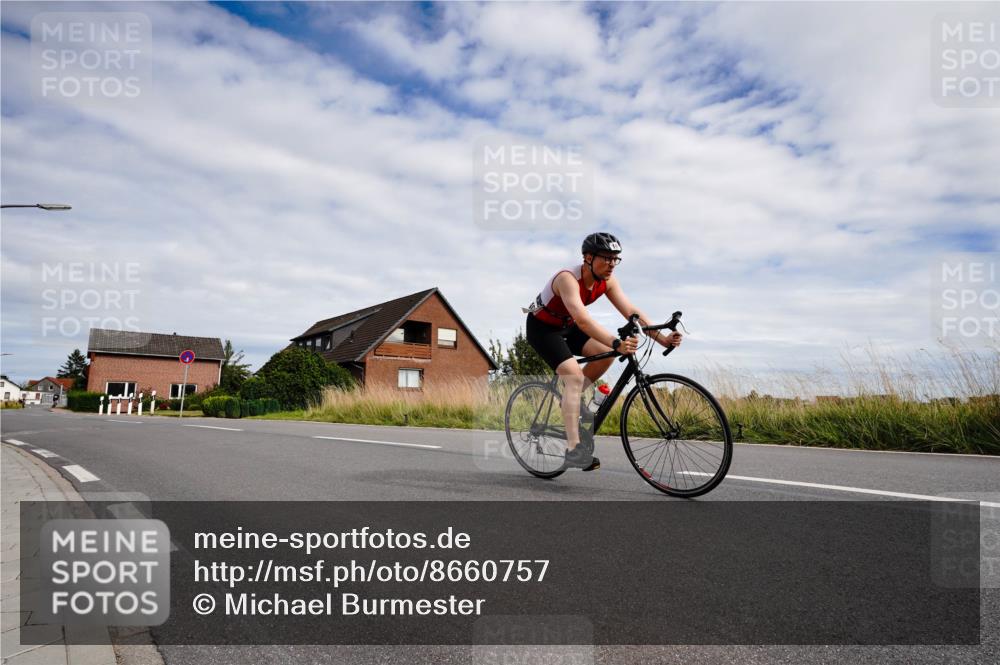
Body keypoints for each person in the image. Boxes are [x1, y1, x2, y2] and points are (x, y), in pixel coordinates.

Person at [523, 232, 682, 470]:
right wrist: (616, 342)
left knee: (606, 355)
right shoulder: (567, 279)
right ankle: (573, 449)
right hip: (543, 329)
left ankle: (571, 397)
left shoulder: (607, 281)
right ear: (587, 257)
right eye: (605, 258)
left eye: (615, 259)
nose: (611, 264)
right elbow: (584, 321)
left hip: (568, 325)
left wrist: (663, 339)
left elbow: (631, 311)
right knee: (574, 375)